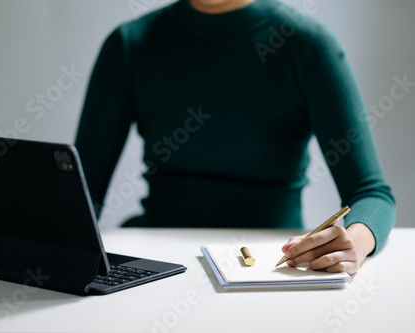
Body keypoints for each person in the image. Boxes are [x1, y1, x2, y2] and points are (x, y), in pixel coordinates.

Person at [74, 0, 396, 274]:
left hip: (270, 265)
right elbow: (80, 190)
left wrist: (355, 243)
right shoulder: (130, 44)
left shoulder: (307, 45)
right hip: (156, 263)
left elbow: (370, 192)